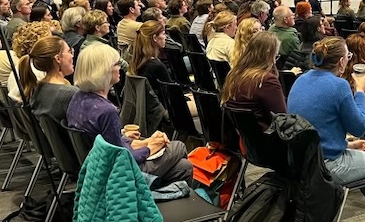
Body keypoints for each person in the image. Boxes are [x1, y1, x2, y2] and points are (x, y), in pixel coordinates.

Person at [67, 43, 192, 188]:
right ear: (104, 70)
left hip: (96, 172)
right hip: (120, 176)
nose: (119, 67)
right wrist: (149, 148)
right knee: (179, 147)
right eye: (116, 64)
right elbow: (120, 160)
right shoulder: (106, 111)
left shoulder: (77, 98)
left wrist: (145, 142)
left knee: (184, 167)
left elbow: (108, 144)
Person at [287, 37, 365, 198]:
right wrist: (360, 90)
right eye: (348, 56)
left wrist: (346, 145)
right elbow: (359, 128)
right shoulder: (339, 86)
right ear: (341, 61)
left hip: (301, 161)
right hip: (327, 165)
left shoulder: (301, 80)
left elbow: (318, 129)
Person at [221, 32, 287, 130]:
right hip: (268, 140)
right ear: (269, 54)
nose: (274, 61)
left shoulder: (234, 74)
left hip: (243, 139)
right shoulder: (266, 81)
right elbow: (282, 119)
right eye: (275, 56)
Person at [19, 36, 78, 124]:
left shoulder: (36, 88)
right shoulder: (71, 94)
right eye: (69, 51)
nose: (72, 56)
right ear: (58, 58)